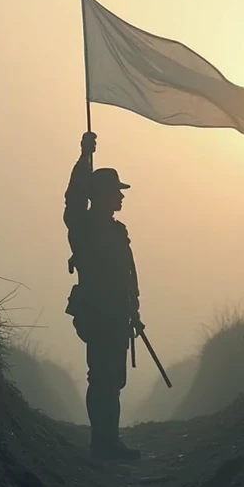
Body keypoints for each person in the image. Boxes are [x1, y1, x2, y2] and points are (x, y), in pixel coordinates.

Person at [64, 131, 144, 461]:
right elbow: (73, 198)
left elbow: (129, 275)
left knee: (114, 380)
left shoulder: (116, 230)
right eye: (115, 192)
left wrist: (134, 311)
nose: (121, 197)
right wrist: (84, 156)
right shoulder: (83, 226)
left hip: (117, 314)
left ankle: (109, 440)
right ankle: (104, 443)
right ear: (101, 196)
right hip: (98, 313)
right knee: (102, 379)